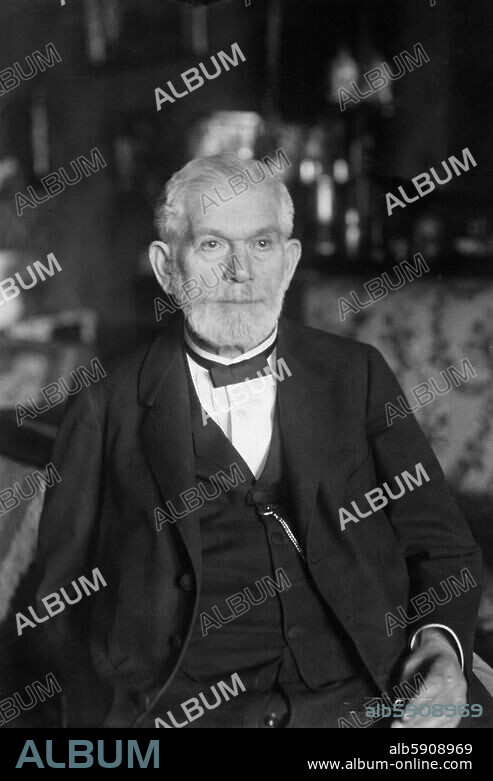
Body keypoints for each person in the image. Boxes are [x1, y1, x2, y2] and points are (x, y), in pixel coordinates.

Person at [31, 153, 488, 728]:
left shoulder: (355, 375)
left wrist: (444, 653)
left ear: (289, 263)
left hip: (368, 697)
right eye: (213, 246)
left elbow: (441, 544)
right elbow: (56, 600)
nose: (241, 272)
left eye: (262, 245)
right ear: (167, 266)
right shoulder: (105, 403)